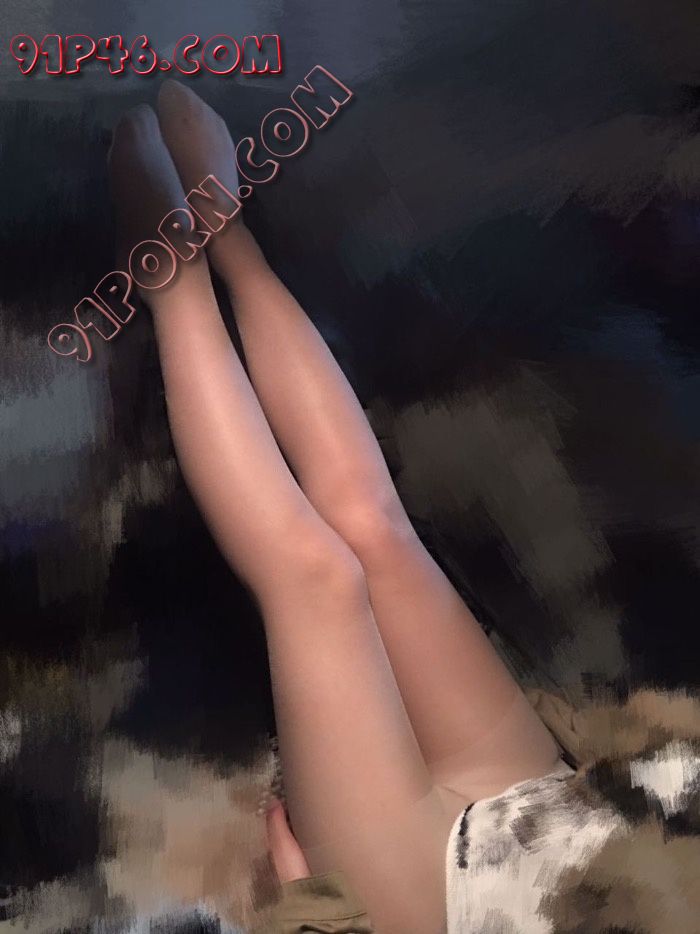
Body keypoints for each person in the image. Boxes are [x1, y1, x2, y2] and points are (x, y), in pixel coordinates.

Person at [107, 81, 565, 934]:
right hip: (575, 840)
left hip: (431, 915)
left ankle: (167, 267)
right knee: (373, 528)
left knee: (317, 577)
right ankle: (225, 229)